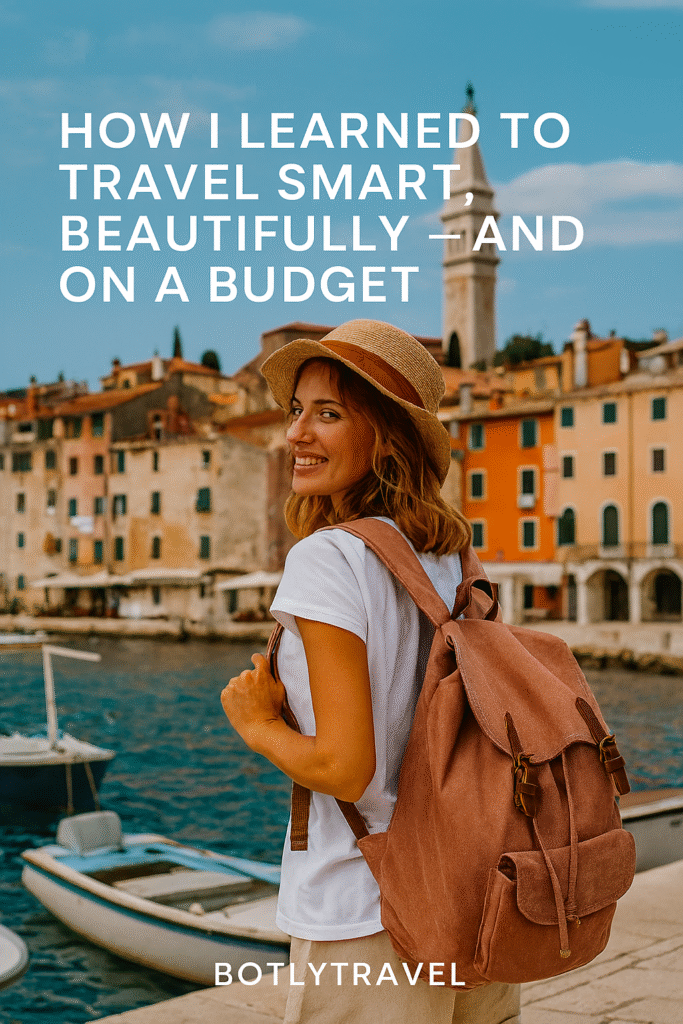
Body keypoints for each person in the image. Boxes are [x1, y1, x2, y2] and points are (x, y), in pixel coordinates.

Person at [221, 319, 521, 1024]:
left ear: (387, 435)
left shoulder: (327, 559)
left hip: (370, 914)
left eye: (327, 414)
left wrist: (258, 724)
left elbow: (345, 768)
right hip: (478, 899)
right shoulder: (453, 559)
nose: (296, 433)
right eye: (296, 410)